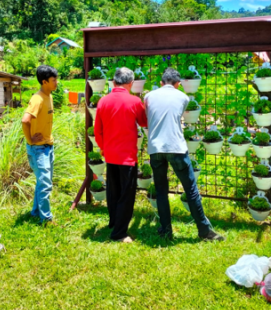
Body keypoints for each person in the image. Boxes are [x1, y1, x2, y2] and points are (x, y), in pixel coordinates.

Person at [144, 68, 224, 242]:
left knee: (161, 191)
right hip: (176, 148)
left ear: (161, 82)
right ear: (178, 84)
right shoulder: (183, 97)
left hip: (155, 148)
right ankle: (204, 231)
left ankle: (166, 230)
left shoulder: (148, 96)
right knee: (191, 190)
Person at [94, 67, 148, 243]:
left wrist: (103, 148)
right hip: (127, 156)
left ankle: (114, 222)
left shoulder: (103, 101)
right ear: (130, 83)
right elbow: (144, 121)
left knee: (113, 190)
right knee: (126, 193)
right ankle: (119, 233)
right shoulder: (134, 101)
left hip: (110, 153)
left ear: (114, 81)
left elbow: (97, 130)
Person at [22, 65, 58, 224]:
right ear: (44, 82)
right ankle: (46, 218)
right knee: (45, 184)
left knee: (42, 182)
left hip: (47, 146)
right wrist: (30, 140)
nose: (56, 82)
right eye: (53, 80)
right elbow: (25, 120)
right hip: (38, 149)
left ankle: (36, 212)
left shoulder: (49, 96)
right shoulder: (37, 99)